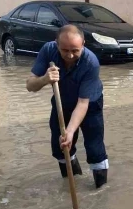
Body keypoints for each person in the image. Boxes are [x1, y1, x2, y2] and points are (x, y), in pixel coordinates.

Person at [26, 25, 109, 188]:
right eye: (64, 50)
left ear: (83, 44)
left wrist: (70, 131)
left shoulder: (91, 63)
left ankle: (101, 191)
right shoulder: (48, 50)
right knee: (61, 147)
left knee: (94, 148)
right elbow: (30, 86)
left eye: (75, 50)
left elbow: (83, 103)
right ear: (56, 44)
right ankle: (73, 184)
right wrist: (44, 79)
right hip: (62, 102)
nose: (70, 55)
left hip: (89, 104)